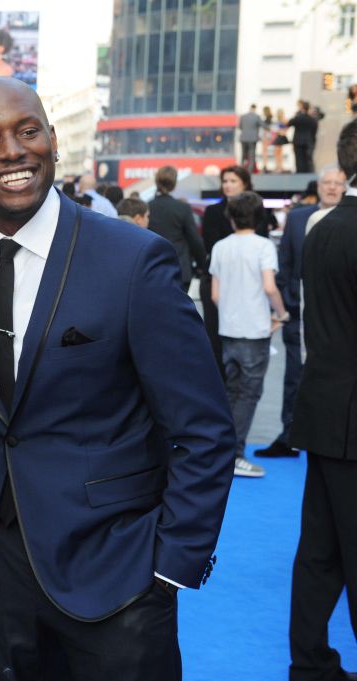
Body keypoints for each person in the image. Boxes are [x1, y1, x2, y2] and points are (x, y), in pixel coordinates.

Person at [0, 77, 235, 681]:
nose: (12, 152)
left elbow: (204, 427)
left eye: (27, 132)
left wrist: (173, 562)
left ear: (52, 140)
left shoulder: (133, 259)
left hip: (118, 569)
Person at [287, 117, 357, 681]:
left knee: (319, 551)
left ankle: (310, 663)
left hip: (325, 408)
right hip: (351, 420)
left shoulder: (321, 227)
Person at [256, 166, 347, 459]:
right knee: (294, 375)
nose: (332, 187)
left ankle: (330, 438)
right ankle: (289, 435)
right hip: (299, 311)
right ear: (318, 186)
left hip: (341, 316)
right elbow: (285, 266)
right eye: (328, 182)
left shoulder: (349, 221)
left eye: (338, 183)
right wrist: (282, 308)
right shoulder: (297, 219)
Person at [209, 191, 288, 479]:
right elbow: (269, 287)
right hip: (254, 330)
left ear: (231, 217)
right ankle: (236, 454)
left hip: (228, 328)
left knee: (232, 391)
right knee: (249, 394)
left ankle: (224, 451)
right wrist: (281, 313)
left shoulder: (220, 247)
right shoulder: (263, 246)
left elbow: (215, 295)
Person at [200, 165, 274, 379]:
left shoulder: (258, 210)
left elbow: (262, 243)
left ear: (245, 183)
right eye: (225, 181)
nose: (228, 185)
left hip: (250, 281)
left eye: (233, 181)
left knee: (248, 341)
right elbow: (210, 245)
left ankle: (239, 388)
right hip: (217, 279)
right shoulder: (213, 211)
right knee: (216, 337)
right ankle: (219, 387)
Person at [148, 165, 206, 291]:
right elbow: (194, 239)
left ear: (157, 181)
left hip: (152, 267)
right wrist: (202, 264)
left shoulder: (148, 207)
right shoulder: (182, 208)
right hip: (180, 267)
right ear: (174, 183)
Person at [289, 100, 319, 174]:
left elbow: (289, 123)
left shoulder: (298, 117)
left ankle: (300, 173)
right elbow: (315, 131)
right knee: (308, 159)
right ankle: (310, 173)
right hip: (309, 141)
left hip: (298, 141)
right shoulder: (312, 119)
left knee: (299, 159)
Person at [239, 104, 262, 172]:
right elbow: (262, 125)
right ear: (255, 109)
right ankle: (250, 171)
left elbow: (240, 127)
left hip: (243, 138)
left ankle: (242, 170)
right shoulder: (256, 117)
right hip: (252, 139)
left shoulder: (243, 116)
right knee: (251, 155)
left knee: (243, 155)